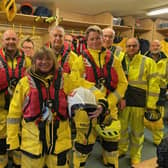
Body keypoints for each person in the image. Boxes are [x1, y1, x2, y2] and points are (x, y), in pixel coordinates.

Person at [7, 46, 107, 168]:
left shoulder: (66, 79)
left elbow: (88, 87)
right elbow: (14, 114)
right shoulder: (24, 83)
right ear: (34, 61)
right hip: (32, 142)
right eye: (40, 59)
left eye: (48, 59)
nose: (44, 62)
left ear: (54, 61)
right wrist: (12, 140)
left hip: (60, 141)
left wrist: (102, 103)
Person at [72, 25, 128, 168]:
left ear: (102, 39)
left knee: (111, 144)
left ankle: (111, 164)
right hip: (87, 111)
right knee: (83, 144)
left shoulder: (114, 60)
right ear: (86, 41)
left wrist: (108, 103)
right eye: (92, 39)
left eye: (98, 38)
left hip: (109, 108)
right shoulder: (80, 60)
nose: (95, 41)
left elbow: (122, 83)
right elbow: (74, 82)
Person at [118, 38, 160, 167]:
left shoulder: (148, 62)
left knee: (137, 132)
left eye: (134, 46)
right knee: (122, 130)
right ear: (125, 46)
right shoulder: (119, 60)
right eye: (129, 46)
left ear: (138, 47)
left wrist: (151, 105)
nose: (131, 48)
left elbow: (154, 85)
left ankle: (135, 156)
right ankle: (122, 149)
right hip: (123, 101)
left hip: (139, 103)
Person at [0, 29, 31, 168]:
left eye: (13, 39)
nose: (11, 42)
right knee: (1, 140)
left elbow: (32, 80)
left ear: (18, 41)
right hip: (1, 108)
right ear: (2, 41)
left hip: (21, 108)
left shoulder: (27, 60)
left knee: (20, 137)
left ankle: (18, 163)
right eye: (8, 39)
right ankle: (3, 163)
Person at [144, 39, 168, 146]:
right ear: (150, 47)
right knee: (142, 118)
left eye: (157, 45)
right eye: (153, 45)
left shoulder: (167, 60)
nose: (155, 47)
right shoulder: (143, 59)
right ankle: (139, 138)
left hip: (160, 94)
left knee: (158, 120)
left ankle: (158, 141)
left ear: (161, 47)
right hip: (145, 92)